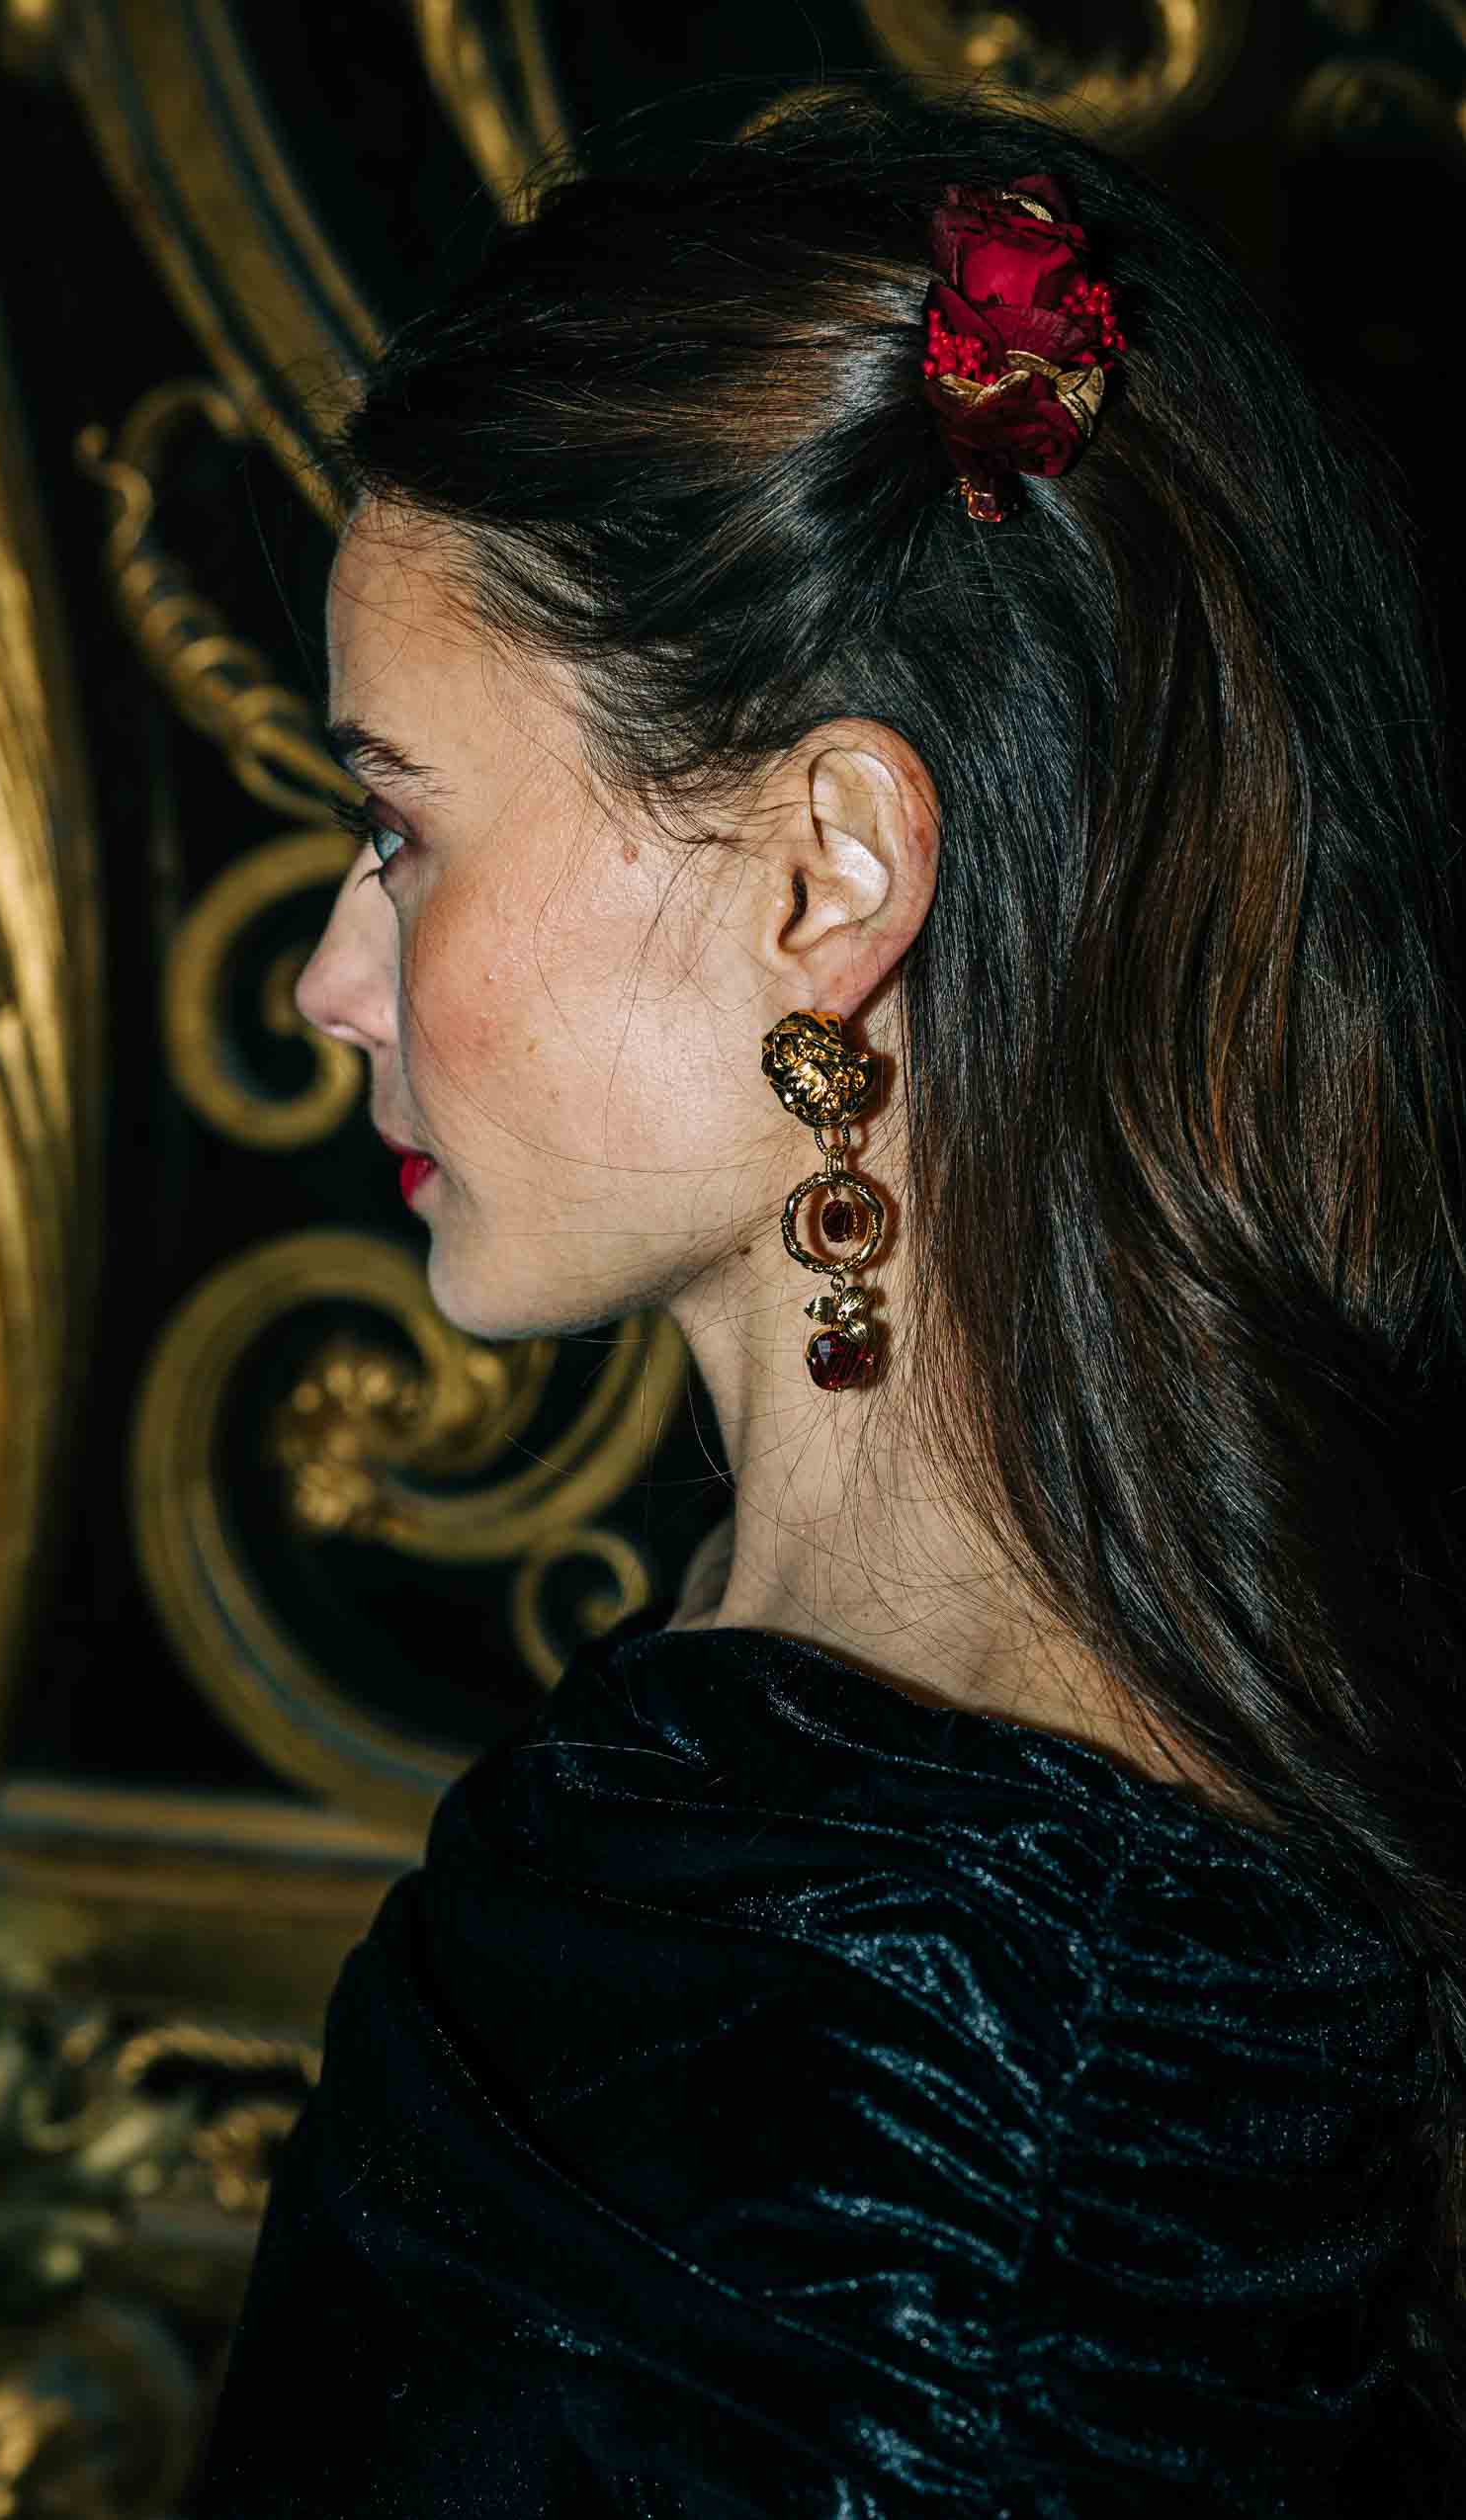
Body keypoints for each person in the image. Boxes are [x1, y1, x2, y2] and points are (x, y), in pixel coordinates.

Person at [195, 79, 1466, 2516]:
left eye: (397, 824)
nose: (334, 978)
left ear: (828, 875)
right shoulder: (813, 1795)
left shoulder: (942, 2072)